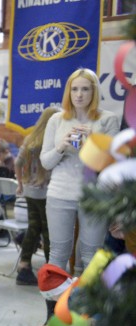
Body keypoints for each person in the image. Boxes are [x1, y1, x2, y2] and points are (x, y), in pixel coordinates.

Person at [40, 68, 120, 274]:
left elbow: (109, 164)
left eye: (85, 89)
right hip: (60, 193)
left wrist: (92, 141)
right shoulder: (56, 119)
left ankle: (87, 305)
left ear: (94, 92)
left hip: (95, 196)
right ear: (68, 91)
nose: (79, 94)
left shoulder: (108, 119)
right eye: (74, 89)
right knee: (57, 254)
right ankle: (54, 305)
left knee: (91, 254)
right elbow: (46, 163)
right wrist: (61, 147)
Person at [14, 107, 59, 287]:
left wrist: (20, 183)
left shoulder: (30, 139)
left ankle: (24, 265)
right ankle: (50, 271)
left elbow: (17, 163)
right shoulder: (52, 141)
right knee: (48, 231)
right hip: (46, 192)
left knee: (33, 227)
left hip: (30, 191)